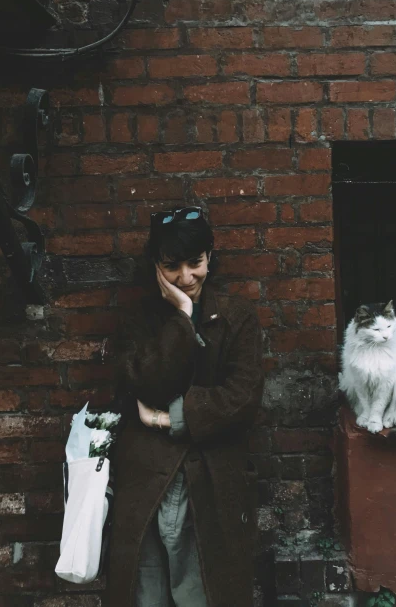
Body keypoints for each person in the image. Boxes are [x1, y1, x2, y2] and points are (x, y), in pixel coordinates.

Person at [106, 206, 264, 607]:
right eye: (171, 267)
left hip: (211, 479)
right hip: (147, 479)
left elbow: (242, 397)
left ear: (210, 256)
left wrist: (166, 418)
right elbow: (145, 382)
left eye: (195, 263)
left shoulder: (236, 317)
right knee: (147, 590)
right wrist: (182, 318)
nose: (186, 277)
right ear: (155, 265)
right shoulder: (138, 320)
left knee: (202, 592)